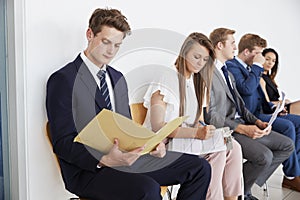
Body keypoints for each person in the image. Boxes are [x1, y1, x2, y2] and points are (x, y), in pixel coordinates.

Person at [46, 8, 211, 200]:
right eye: (106, 42)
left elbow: (127, 129)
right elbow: (63, 142)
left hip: (129, 159)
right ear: (90, 34)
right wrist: (104, 159)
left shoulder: (117, 78)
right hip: (91, 170)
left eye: (117, 45)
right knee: (147, 189)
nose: (111, 51)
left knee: (200, 168)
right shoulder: (64, 79)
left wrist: (152, 145)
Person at [143, 32, 243, 200]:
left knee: (233, 147)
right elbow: (158, 126)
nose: (200, 63)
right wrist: (196, 133)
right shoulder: (166, 78)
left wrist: (204, 129)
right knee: (217, 152)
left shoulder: (195, 82)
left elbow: (195, 121)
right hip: (161, 144)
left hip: (183, 139)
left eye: (205, 60)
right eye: (197, 57)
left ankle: (231, 197)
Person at [206, 28, 294, 200]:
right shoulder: (208, 74)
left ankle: (240, 188)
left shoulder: (227, 73)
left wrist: (256, 122)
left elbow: (241, 106)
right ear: (219, 45)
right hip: (227, 129)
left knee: (287, 145)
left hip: (242, 123)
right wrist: (242, 129)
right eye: (232, 43)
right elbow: (211, 116)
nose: (234, 47)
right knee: (264, 157)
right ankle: (239, 193)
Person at [226, 33, 300, 192]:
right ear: (247, 52)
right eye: (259, 54)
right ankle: (289, 176)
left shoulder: (249, 68)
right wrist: (257, 68)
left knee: (295, 128)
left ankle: (292, 171)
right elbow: (246, 89)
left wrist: (275, 108)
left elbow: (259, 94)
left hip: (255, 114)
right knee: (287, 129)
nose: (262, 58)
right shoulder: (232, 66)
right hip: (247, 118)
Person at [261, 48, 300, 115]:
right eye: (267, 59)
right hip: (274, 109)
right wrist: (281, 102)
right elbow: (266, 103)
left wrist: (283, 102)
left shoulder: (270, 79)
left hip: (281, 106)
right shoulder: (260, 78)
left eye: (273, 61)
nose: (270, 63)